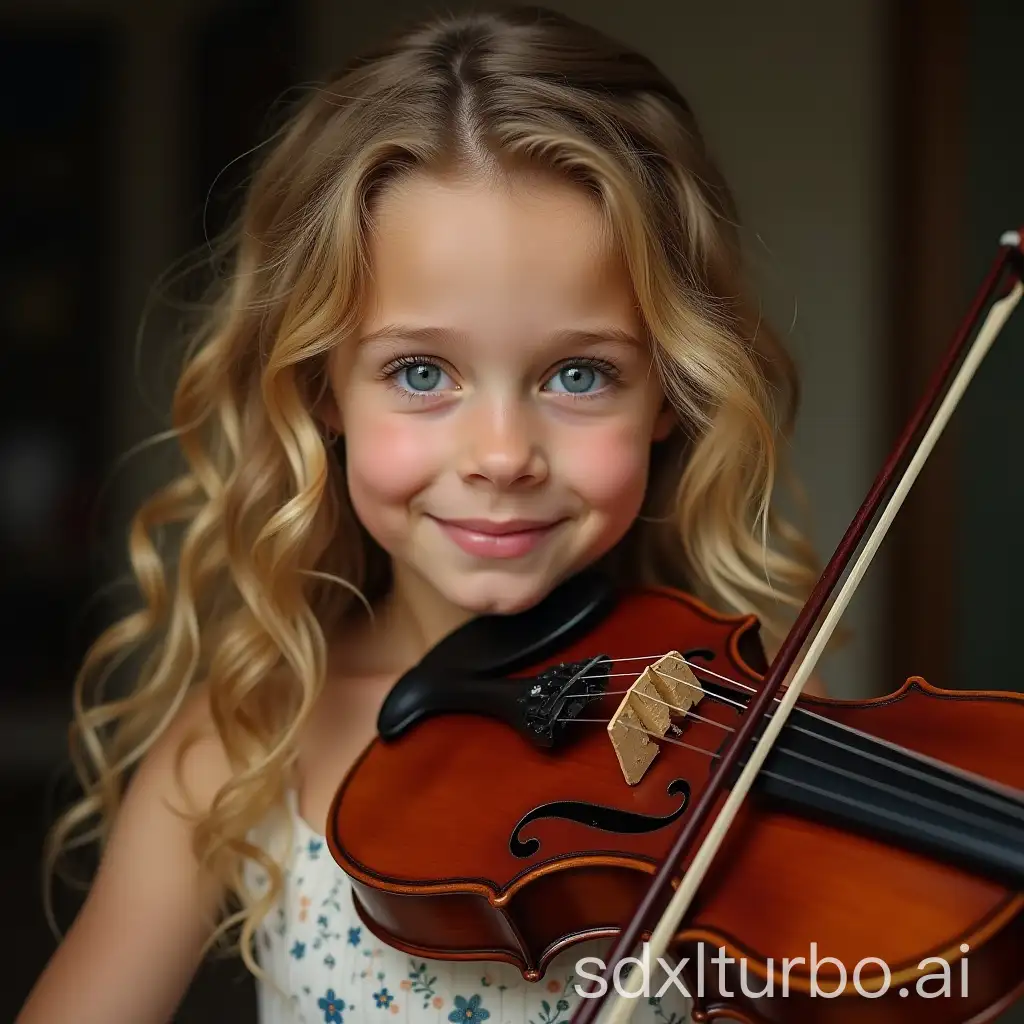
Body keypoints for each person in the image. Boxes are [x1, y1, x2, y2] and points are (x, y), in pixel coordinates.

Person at [17, 5, 826, 1022]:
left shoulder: (736, 727)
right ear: (319, 389)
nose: (500, 456)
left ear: (669, 389)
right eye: (420, 370)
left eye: (579, 373)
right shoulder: (248, 737)